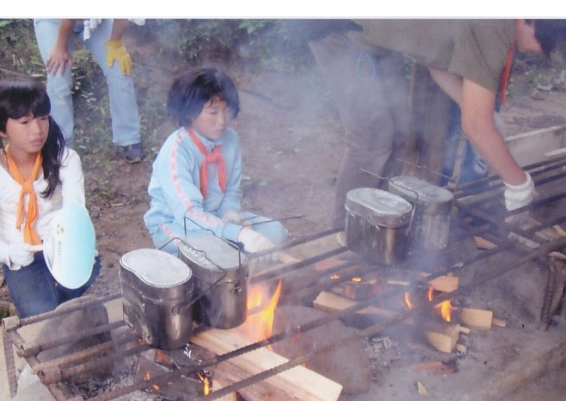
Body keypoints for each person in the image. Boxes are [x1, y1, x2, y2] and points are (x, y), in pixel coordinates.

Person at [308, 19, 566, 229]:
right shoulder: (497, 23)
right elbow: (476, 126)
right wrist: (519, 185)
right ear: (536, 22)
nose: (542, 52)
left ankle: (379, 225)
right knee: (373, 140)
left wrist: (483, 113)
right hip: (339, 29)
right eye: (549, 46)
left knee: (400, 135)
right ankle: (344, 232)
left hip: (377, 41)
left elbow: (436, 62)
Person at [0, 76, 100, 319]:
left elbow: (76, 212)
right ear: (2, 129)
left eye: (43, 118)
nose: (37, 129)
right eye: (24, 122)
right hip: (22, 256)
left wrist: (81, 243)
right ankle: (48, 309)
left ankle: (59, 306)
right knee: (40, 313)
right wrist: (10, 253)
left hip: (61, 247)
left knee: (91, 268)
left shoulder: (65, 159)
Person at [143, 66, 288, 256]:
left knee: (275, 231)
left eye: (227, 111)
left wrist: (230, 213)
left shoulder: (231, 139)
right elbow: (188, 215)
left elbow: (231, 190)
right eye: (212, 113)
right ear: (189, 113)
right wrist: (238, 234)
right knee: (214, 251)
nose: (222, 121)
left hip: (216, 217)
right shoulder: (176, 152)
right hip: (175, 224)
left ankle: (238, 267)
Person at [34, 18, 144, 163]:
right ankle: (61, 148)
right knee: (59, 76)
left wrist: (115, 43)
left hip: (95, 20)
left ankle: (128, 139)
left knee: (119, 68)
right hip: (53, 19)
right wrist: (60, 49)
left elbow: (125, 17)